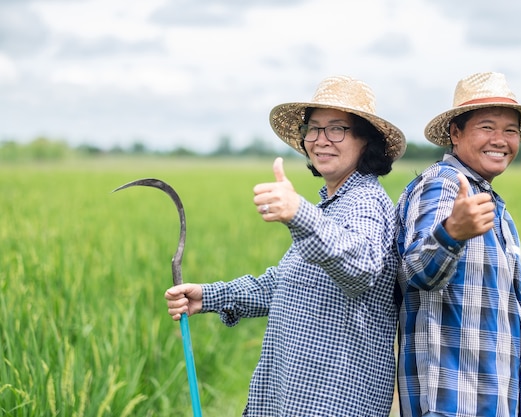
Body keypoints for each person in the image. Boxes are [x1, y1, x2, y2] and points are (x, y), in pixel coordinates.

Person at [165, 75, 406, 416]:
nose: (321, 140)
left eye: (337, 129)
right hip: (294, 394)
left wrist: (299, 213)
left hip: (331, 401)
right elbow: (284, 286)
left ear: (365, 141)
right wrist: (209, 296)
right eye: (314, 128)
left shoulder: (365, 202)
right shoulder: (331, 204)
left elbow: (361, 265)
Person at [394, 72, 521, 417]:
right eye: (487, 127)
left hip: (495, 403)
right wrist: (452, 232)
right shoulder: (444, 184)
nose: (500, 140)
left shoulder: (492, 205)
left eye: (511, 130)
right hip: (449, 403)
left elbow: (511, 324)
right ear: (456, 133)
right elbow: (416, 270)